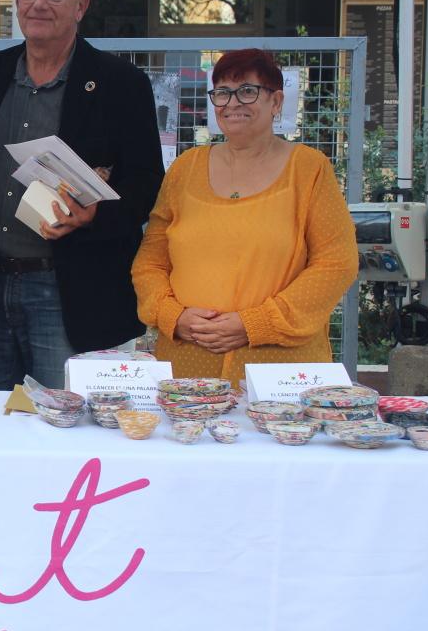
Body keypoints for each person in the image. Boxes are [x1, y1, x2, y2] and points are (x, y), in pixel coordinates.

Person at [0, 0, 165, 390]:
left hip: (70, 290)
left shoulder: (119, 82)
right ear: (16, 2)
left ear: (81, 6)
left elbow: (147, 183)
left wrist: (96, 215)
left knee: (68, 423)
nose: (39, 4)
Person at [132, 49, 358, 384]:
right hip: (188, 368)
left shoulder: (309, 169)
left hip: (280, 375)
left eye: (248, 91)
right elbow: (150, 262)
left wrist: (256, 324)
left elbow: (336, 263)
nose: (232, 103)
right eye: (222, 92)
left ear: (276, 101)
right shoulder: (185, 169)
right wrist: (172, 316)